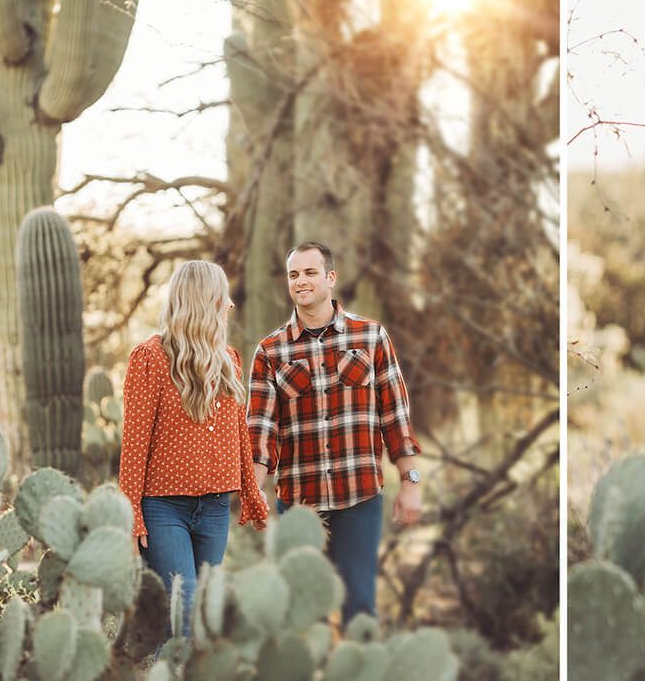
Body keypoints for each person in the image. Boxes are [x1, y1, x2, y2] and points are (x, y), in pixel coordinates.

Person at [247, 242, 423, 631]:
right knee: (303, 614)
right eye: (293, 275)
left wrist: (410, 483)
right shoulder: (270, 352)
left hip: (358, 498)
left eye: (310, 273)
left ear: (330, 278)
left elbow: (396, 416)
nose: (301, 281)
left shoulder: (371, 337)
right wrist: (253, 489)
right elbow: (260, 432)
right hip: (299, 506)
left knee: (359, 605)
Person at [120, 261, 269, 636]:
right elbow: (135, 443)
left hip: (216, 509)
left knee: (200, 614)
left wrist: (251, 492)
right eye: (224, 296)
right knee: (182, 612)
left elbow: (238, 434)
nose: (230, 305)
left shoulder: (229, 358)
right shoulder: (149, 357)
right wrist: (131, 514)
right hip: (164, 508)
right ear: (205, 300)